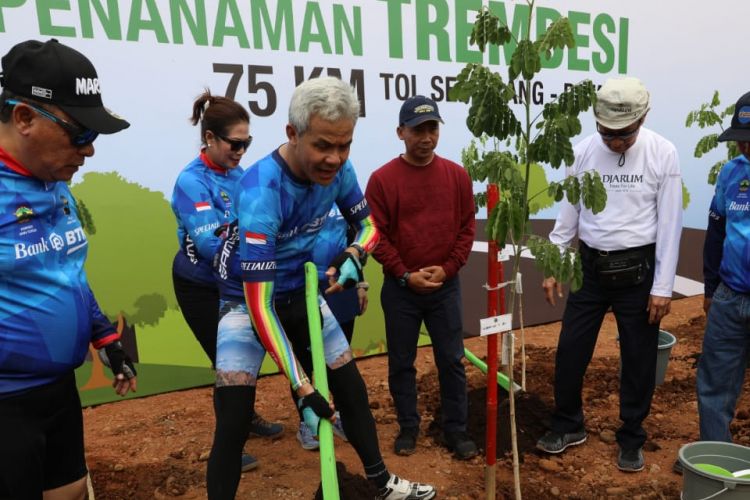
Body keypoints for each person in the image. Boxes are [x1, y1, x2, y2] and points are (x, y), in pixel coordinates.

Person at [209, 76, 436, 500]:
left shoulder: (340, 170)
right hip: (246, 299)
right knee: (235, 416)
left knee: (351, 387)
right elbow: (261, 307)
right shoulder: (262, 190)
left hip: (301, 289)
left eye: (344, 145)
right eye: (323, 146)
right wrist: (303, 387)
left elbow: (369, 226)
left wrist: (355, 254)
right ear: (293, 134)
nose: (335, 158)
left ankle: (382, 483)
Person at [0, 39, 136, 499]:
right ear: (24, 119)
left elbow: (66, 270)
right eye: (80, 134)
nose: (90, 151)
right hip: (6, 403)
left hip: (57, 393)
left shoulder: (54, 181)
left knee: (73, 492)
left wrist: (104, 336)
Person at [535, 77, 682, 473]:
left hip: (639, 270)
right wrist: (556, 265)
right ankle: (569, 423)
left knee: (637, 358)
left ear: (644, 118)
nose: (615, 142)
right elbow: (569, 214)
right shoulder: (583, 152)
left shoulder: (662, 153)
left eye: (624, 134)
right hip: (591, 269)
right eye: (607, 133)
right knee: (570, 349)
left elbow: (670, 223)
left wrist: (662, 287)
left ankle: (631, 435)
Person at [170, 91, 282, 471]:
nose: (241, 151)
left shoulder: (241, 177)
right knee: (226, 362)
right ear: (211, 139)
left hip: (236, 279)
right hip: (199, 283)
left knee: (245, 358)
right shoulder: (190, 181)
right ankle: (230, 447)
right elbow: (208, 243)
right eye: (235, 143)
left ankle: (246, 419)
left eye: (247, 143)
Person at [364, 96, 477, 460]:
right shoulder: (382, 180)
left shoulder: (457, 176)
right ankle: (408, 427)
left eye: (432, 128)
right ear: (401, 133)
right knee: (401, 363)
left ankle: (455, 430)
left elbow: (466, 229)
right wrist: (404, 274)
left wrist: (448, 268)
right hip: (402, 291)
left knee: (451, 360)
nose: (426, 137)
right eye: (417, 130)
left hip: (445, 287)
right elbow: (375, 235)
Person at [696, 90, 750, 444]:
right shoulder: (731, 173)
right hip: (730, 297)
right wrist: (711, 287)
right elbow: (716, 230)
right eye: (741, 141)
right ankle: (714, 462)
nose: (745, 148)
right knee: (714, 382)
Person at [291, 205, 367, 450]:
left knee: (339, 359)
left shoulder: (342, 194)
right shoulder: (290, 192)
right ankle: (307, 420)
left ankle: (338, 416)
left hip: (340, 289)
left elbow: (356, 238)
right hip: (301, 290)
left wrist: (360, 282)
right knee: (304, 360)